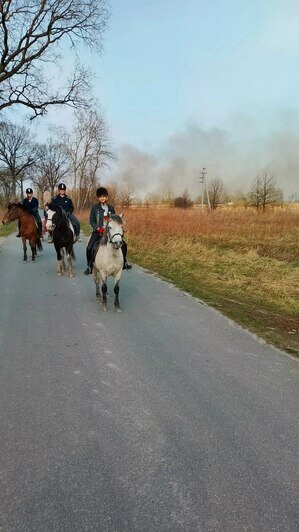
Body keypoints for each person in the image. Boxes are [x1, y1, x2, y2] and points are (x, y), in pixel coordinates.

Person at [84, 186, 132, 275]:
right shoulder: (95, 208)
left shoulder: (111, 208)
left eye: (104, 196)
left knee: (124, 244)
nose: (103, 198)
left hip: (110, 232)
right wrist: (98, 228)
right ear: (98, 197)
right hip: (98, 232)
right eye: (101, 196)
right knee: (89, 247)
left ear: (107, 197)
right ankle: (89, 266)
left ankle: (125, 262)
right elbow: (91, 221)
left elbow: (115, 220)